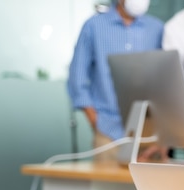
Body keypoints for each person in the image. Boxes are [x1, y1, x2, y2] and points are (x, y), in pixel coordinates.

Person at [67, 0, 163, 162]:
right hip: (107, 129)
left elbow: (165, 80)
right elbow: (77, 77)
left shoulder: (157, 29)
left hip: (148, 132)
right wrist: (94, 119)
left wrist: (162, 134)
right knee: (106, 187)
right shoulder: (94, 26)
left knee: (149, 187)